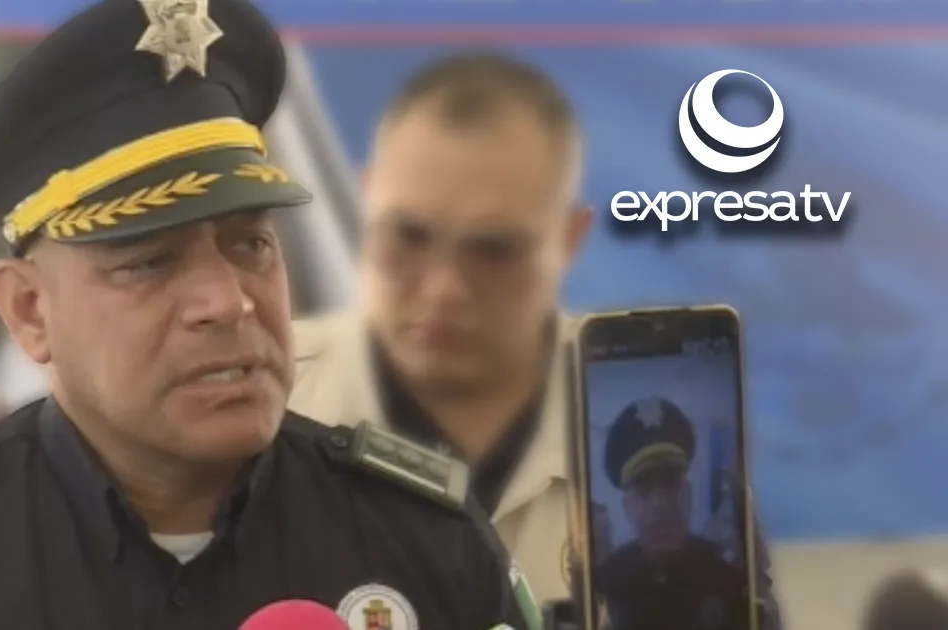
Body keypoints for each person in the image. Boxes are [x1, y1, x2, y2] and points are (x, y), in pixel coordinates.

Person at [0, 2, 538, 628]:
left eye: (251, 246)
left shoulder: (427, 542)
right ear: (30, 310)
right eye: (148, 262)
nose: (228, 301)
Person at [285, 52, 781, 626]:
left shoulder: (635, 400)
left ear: (568, 240)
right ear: (367, 201)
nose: (443, 288)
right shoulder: (271, 401)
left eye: (493, 250)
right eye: (409, 235)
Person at [595, 396, 754, 630]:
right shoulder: (604, 588)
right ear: (627, 508)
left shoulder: (728, 581)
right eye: (644, 488)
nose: (660, 502)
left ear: (688, 494)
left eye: (671, 483)